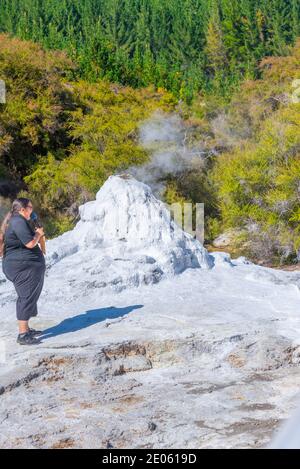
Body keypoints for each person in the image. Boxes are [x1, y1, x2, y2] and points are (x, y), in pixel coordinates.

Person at [1, 198, 46, 345]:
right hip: (21, 266)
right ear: (22, 209)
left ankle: (26, 329)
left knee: (28, 295)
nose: (32, 210)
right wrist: (38, 234)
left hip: (24, 265)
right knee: (26, 297)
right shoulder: (18, 221)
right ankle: (22, 335)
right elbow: (30, 243)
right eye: (30, 207)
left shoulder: (17, 221)